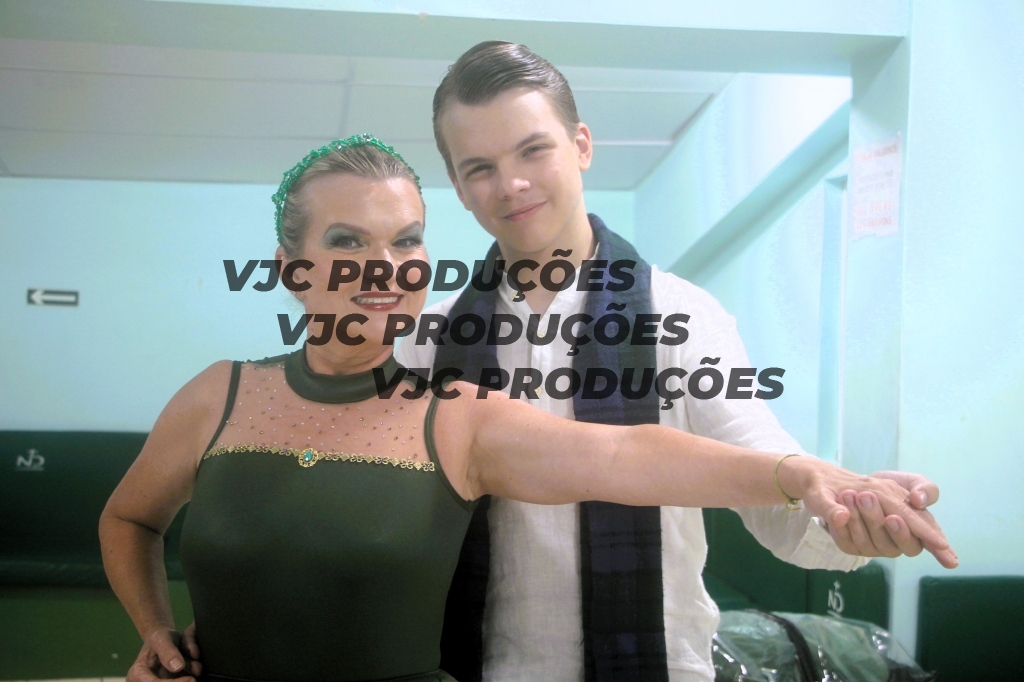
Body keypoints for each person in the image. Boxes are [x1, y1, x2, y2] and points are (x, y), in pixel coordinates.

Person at [101, 135, 952, 682]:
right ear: (292, 269)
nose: (385, 267)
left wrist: (800, 473)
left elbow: (626, 455)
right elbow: (129, 519)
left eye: (406, 240)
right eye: (348, 241)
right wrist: (156, 631)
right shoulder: (218, 394)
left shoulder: (455, 413)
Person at [392, 42, 957, 682]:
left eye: (532, 150)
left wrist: (849, 512)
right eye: (480, 168)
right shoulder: (427, 341)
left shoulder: (681, 312)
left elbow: (767, 481)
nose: (511, 184)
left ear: (581, 145)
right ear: (459, 188)